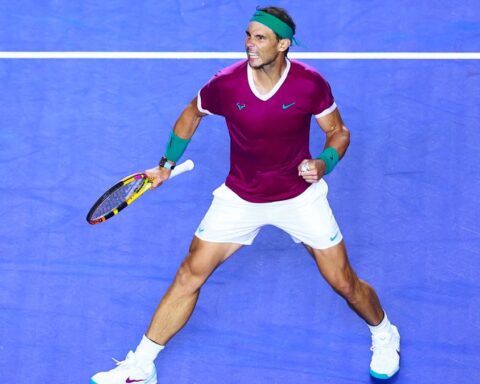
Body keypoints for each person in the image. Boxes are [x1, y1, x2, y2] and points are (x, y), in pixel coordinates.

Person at [90, 6, 400, 383]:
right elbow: (192, 113)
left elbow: (339, 132)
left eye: (260, 38)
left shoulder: (309, 83)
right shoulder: (225, 83)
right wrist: (166, 164)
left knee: (343, 282)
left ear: (283, 45)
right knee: (189, 274)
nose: (249, 45)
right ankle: (141, 365)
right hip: (240, 199)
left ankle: (384, 334)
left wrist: (323, 164)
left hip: (299, 198)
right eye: (249, 35)